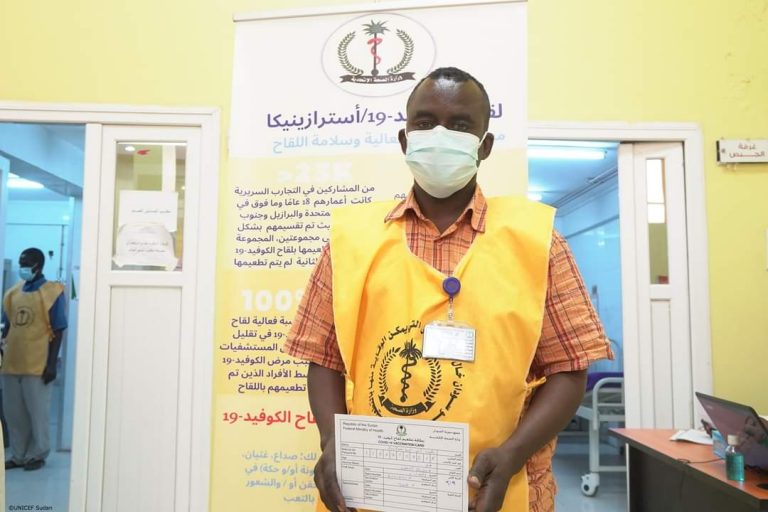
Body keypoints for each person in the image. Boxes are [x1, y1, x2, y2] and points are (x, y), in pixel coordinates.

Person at [284, 67, 612, 512]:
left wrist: (513, 454)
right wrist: (331, 439)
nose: (440, 135)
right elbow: (323, 358)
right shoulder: (351, 240)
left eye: (459, 125)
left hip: (491, 489)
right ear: (405, 140)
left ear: (484, 145)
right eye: (425, 122)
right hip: (373, 489)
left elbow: (569, 368)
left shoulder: (538, 242)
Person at [1, 248, 67, 471]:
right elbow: (7, 327)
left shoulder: (52, 292)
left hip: (37, 364)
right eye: (21, 263)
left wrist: (52, 364)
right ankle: (18, 455)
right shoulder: (12, 293)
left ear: (38, 265)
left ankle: (37, 454)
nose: (23, 267)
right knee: (14, 414)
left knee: (37, 414)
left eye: (27, 263)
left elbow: (58, 329)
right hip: (12, 362)